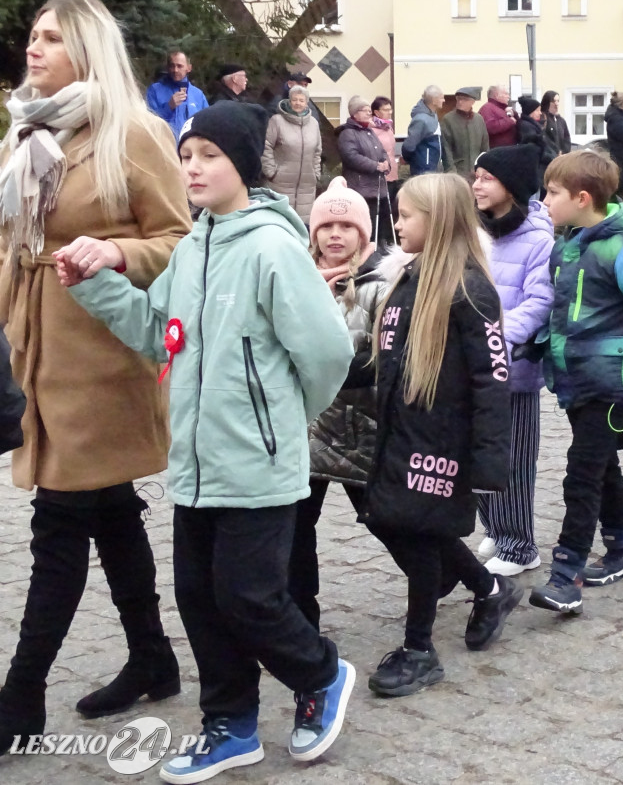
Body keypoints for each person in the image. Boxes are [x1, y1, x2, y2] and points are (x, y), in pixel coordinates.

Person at [58, 100, 356, 780]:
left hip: (259, 465)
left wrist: (279, 417)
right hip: (194, 467)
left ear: (244, 166)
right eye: (186, 156)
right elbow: (156, 337)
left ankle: (322, 674)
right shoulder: (191, 248)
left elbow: (328, 352)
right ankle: (231, 725)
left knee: (250, 597)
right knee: (199, 598)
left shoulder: (273, 247)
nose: (192, 167)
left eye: (208, 156)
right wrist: (97, 288)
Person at [0, 0, 190, 753]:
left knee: (60, 524)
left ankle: (21, 694)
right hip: (38, 353)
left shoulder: (134, 134)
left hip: (105, 361)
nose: (32, 49)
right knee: (109, 511)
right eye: (32, 38)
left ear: (86, 49)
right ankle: (154, 657)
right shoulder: (26, 133)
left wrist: (115, 252)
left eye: (51, 38)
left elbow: (181, 243)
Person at [360, 173, 522, 697]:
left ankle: (419, 649)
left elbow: (493, 381)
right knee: (395, 522)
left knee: (422, 535)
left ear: (439, 221)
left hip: (442, 443)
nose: (397, 223)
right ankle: (487, 587)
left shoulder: (471, 291)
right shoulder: (406, 280)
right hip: (399, 434)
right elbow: (381, 361)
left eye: (407, 215)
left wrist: (490, 464)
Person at [529, 150, 623, 614]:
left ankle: (566, 574)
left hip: (608, 381)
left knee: (581, 474)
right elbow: (561, 307)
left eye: (551, 193)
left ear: (582, 197)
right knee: (601, 464)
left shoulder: (620, 247)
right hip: (574, 375)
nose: (544, 201)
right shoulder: (567, 243)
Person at [293, 176, 397, 628]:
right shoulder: (295, 279)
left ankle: (469, 579)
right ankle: (301, 617)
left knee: (388, 520)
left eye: (346, 227)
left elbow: (382, 360)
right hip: (309, 429)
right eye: (326, 227)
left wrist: (329, 373)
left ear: (363, 233)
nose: (335, 235)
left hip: (359, 429)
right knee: (295, 530)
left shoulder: (379, 284)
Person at [472, 145, 554, 576]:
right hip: (474, 368)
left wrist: (494, 336)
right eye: (476, 176)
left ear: (512, 187)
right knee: (479, 455)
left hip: (513, 370)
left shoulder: (539, 240)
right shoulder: (479, 233)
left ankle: (520, 544)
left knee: (513, 461)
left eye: (487, 177)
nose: (477, 185)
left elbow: (540, 302)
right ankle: (496, 526)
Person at [262, 84, 322, 225]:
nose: (298, 103)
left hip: (307, 184)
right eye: (294, 100)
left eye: (301, 100)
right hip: (280, 182)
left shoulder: (313, 123)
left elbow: (317, 150)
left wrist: (316, 173)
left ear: (306, 103)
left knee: (302, 224)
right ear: (289, 101)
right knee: (281, 222)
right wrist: (271, 172)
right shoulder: (277, 121)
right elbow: (266, 146)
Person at [338, 95, 393, 244]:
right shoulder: (347, 133)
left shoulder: (369, 132)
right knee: (365, 223)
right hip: (361, 188)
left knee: (380, 223)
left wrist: (386, 163)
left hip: (377, 186)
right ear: (354, 113)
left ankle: (378, 248)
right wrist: (375, 166)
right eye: (365, 110)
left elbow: (382, 151)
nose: (369, 113)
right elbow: (351, 157)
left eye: (370, 110)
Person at [146, 50, 209, 139]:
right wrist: (169, 107)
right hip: (166, 146)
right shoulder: (155, 90)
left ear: (189, 68)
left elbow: (207, 124)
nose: (175, 70)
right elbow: (149, 122)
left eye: (179, 66)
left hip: (190, 148)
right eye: (172, 66)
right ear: (168, 68)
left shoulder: (198, 94)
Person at [441, 87, 489, 180]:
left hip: (476, 171)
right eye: (458, 99)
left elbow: (485, 146)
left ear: (473, 101)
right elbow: (446, 148)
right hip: (458, 171)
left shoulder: (479, 119)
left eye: (464, 99)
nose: (460, 102)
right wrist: (451, 171)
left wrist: (484, 167)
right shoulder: (448, 119)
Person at [517, 95, 559, 190]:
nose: (540, 113)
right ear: (530, 112)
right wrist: (552, 157)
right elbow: (536, 147)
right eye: (537, 110)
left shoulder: (534, 125)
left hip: (540, 167)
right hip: (536, 169)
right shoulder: (527, 127)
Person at [371, 96, 400, 232]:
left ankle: (389, 237)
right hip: (380, 175)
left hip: (392, 173)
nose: (390, 112)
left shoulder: (389, 127)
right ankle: (380, 238)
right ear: (376, 112)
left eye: (390, 109)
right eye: (385, 110)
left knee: (391, 208)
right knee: (381, 209)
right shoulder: (372, 130)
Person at [401, 85, 444, 176]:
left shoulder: (433, 115)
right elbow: (409, 145)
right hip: (423, 169)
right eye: (441, 98)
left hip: (432, 166)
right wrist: (414, 160)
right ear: (434, 100)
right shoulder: (420, 120)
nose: (444, 100)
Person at [480, 84, 519, 149]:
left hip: (508, 150)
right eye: (506, 94)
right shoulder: (487, 108)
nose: (508, 97)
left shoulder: (502, 109)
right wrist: (509, 121)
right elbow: (490, 127)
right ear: (496, 95)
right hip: (498, 153)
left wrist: (515, 114)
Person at [541, 90, 572, 155]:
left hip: (562, 158)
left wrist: (564, 152)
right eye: (553, 101)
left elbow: (567, 138)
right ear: (547, 102)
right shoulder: (543, 118)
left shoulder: (561, 120)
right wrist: (556, 151)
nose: (556, 104)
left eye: (558, 101)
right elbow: (544, 138)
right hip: (549, 157)